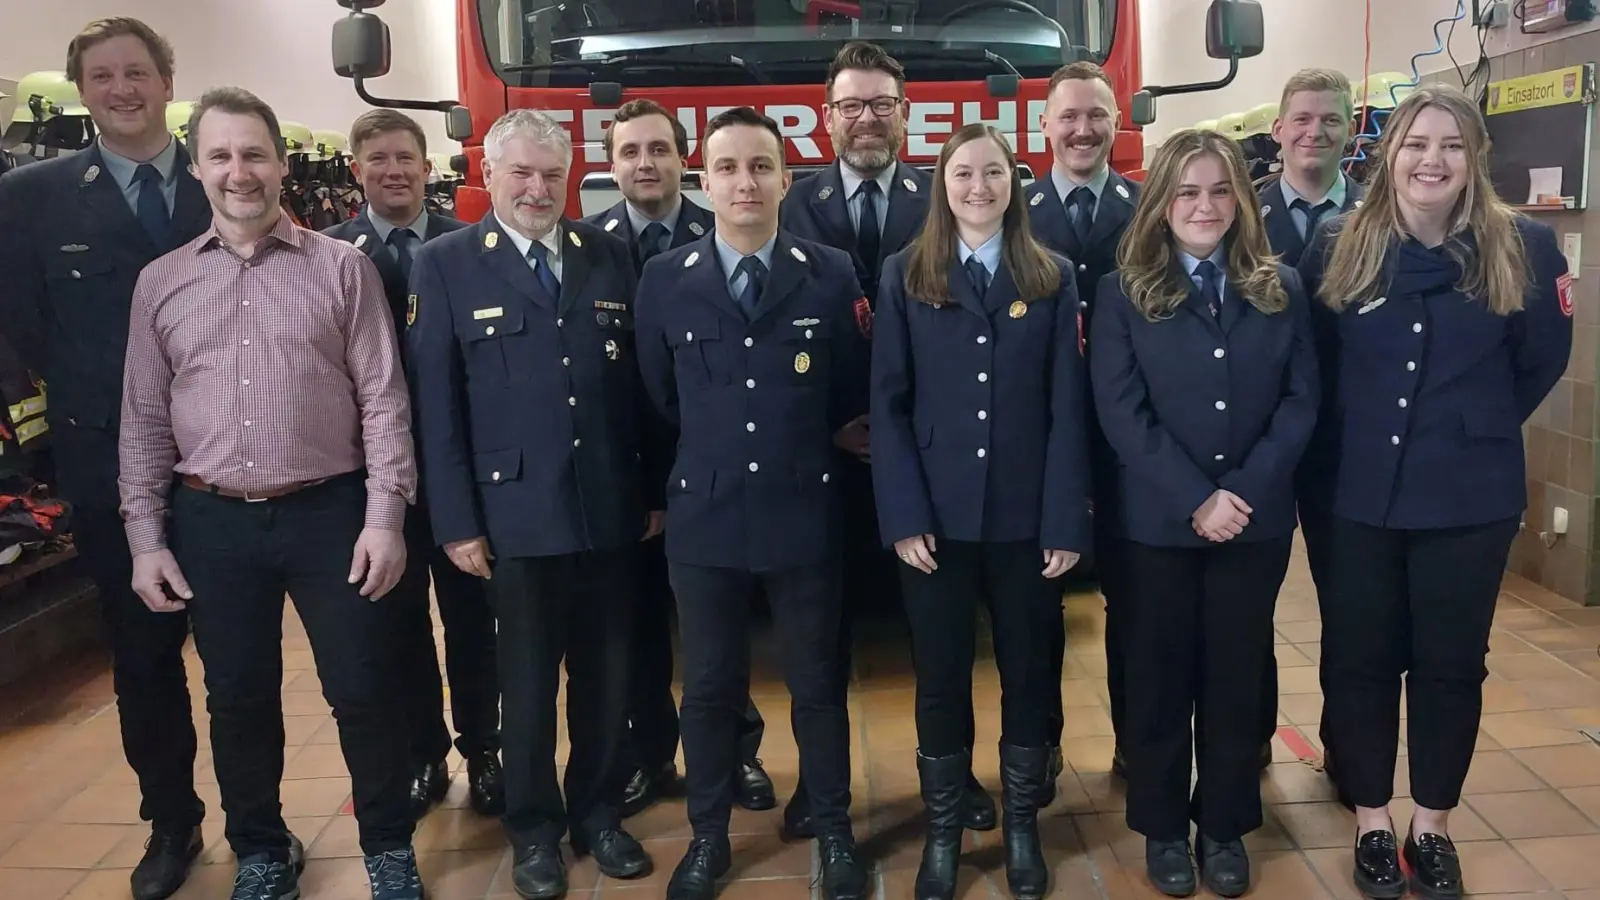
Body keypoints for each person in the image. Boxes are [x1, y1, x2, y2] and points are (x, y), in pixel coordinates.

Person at [118, 86, 424, 900]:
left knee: (362, 688)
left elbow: (383, 402)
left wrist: (385, 518)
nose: (239, 172)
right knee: (238, 697)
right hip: (211, 522)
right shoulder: (161, 284)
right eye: (220, 155)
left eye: (254, 153)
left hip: (332, 513)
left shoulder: (343, 269)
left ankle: (388, 845)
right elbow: (144, 419)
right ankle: (260, 848)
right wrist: (147, 539)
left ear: (282, 164)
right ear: (197, 168)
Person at [1296, 85, 1572, 900]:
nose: (1432, 160)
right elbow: (1317, 364)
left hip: (1469, 497)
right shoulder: (1339, 242)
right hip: (1354, 495)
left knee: (1452, 666)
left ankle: (1434, 825)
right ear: (1389, 154)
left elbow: (1538, 360)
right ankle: (1373, 820)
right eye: (1416, 144)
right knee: (1359, 661)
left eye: (1451, 145)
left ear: (1475, 157)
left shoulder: (1523, 245)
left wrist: (1467, 428)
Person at [406, 107, 656, 900]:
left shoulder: (608, 253)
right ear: (489, 177)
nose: (537, 189)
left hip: (609, 512)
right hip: (512, 522)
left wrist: (649, 495)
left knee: (607, 678)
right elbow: (437, 408)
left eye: (553, 174)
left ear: (574, 177)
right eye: (520, 173)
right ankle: (535, 832)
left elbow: (640, 396)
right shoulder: (446, 263)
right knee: (526, 686)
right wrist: (456, 521)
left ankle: (598, 814)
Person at [0, 18, 212, 900]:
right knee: (142, 651)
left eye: (137, 72)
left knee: (240, 655)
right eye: (102, 76)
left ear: (167, 80)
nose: (122, 88)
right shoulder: (33, 197)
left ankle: (259, 819)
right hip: (107, 462)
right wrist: (96, 402)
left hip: (227, 459)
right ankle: (171, 821)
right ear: (83, 91)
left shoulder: (223, 177)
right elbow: (24, 325)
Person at [635, 107, 869, 900]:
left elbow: (848, 394)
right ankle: (708, 837)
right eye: (728, 167)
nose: (745, 182)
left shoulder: (830, 271)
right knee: (706, 689)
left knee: (817, 685)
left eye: (761, 167)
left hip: (805, 514)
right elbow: (658, 399)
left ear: (785, 178)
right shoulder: (664, 278)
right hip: (705, 520)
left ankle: (831, 827)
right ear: (705, 180)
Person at [1089, 128, 1319, 897]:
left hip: (1252, 524)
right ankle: (1161, 827)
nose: (1205, 205)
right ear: (1161, 202)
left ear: (1242, 201)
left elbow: (1300, 400)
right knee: (1157, 677)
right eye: (1188, 190)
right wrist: (1195, 497)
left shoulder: (1279, 284)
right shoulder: (1123, 288)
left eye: (1221, 190)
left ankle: (1223, 824)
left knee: (1234, 677)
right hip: (1154, 525)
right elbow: (1121, 411)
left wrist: (1239, 494)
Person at [781, 39, 997, 841]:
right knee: (818, 640)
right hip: (826, 453)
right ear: (827, 118)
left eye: (882, 104)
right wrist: (836, 422)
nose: (866, 118)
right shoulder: (789, 200)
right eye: (850, 105)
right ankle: (820, 784)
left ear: (907, 115)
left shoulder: (943, 197)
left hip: (930, 457)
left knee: (941, 639)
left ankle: (953, 772)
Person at [872, 122, 1092, 900]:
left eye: (993, 172)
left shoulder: (1052, 274)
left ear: (1014, 183)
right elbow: (889, 407)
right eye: (963, 173)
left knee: (1030, 674)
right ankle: (944, 831)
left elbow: (1071, 411)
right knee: (940, 678)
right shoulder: (907, 271)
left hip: (1028, 523)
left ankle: (1023, 824)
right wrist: (902, 516)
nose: (978, 187)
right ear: (942, 184)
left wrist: (1067, 521)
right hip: (934, 522)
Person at [580, 98, 774, 817]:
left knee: (718, 630)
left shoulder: (721, 228)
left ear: (683, 160)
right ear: (610, 163)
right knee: (634, 623)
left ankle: (737, 753)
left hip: (705, 462)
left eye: (658, 150)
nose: (644, 164)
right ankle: (651, 754)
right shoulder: (588, 243)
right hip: (621, 466)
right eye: (629, 152)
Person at [324, 108, 505, 823]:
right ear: (356, 170)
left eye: (406, 158)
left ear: (429, 169)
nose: (393, 171)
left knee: (473, 619)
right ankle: (423, 754)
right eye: (378, 160)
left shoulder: (473, 246)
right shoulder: (333, 254)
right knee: (396, 625)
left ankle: (484, 749)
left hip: (460, 469)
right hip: (375, 481)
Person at [1022, 60, 1142, 782]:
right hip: (1043, 441)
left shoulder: (1149, 207)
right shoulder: (1014, 211)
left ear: (1115, 123)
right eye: (1068, 116)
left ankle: (1137, 744)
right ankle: (1039, 747)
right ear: (1045, 126)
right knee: (1038, 607)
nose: (1083, 129)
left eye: (1097, 115)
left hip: (1131, 439)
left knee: (1134, 601)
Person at [1256, 67, 1365, 793]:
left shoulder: (1378, 217)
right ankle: (1250, 738)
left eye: (1330, 120)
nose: (1314, 132)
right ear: (1279, 130)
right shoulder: (1239, 212)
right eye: (1301, 119)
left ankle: (1349, 753)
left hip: (1344, 448)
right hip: (1256, 446)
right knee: (1246, 609)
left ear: (1350, 130)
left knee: (1352, 612)